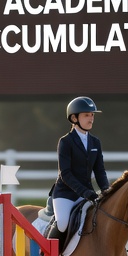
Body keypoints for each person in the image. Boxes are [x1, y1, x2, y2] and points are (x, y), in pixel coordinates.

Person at [48, 97, 109, 240]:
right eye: (87, 115)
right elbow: (65, 173)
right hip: (65, 194)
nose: (91, 118)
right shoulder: (65, 142)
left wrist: (106, 190)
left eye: (92, 115)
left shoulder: (95, 142)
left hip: (88, 193)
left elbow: (99, 170)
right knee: (62, 224)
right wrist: (85, 192)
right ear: (74, 118)